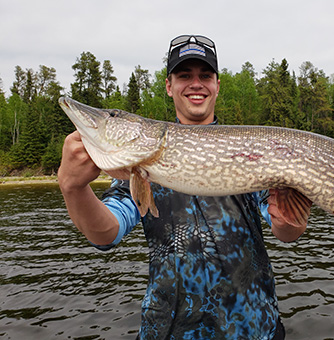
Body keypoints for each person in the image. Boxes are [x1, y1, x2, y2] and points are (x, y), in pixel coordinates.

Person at [58, 34, 311, 340]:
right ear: (169, 86)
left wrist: (289, 222)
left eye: (205, 75)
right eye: (184, 76)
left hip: (253, 328)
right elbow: (106, 233)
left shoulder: (250, 151)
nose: (196, 83)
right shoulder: (138, 169)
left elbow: (286, 231)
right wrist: (73, 188)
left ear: (217, 84)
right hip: (169, 330)